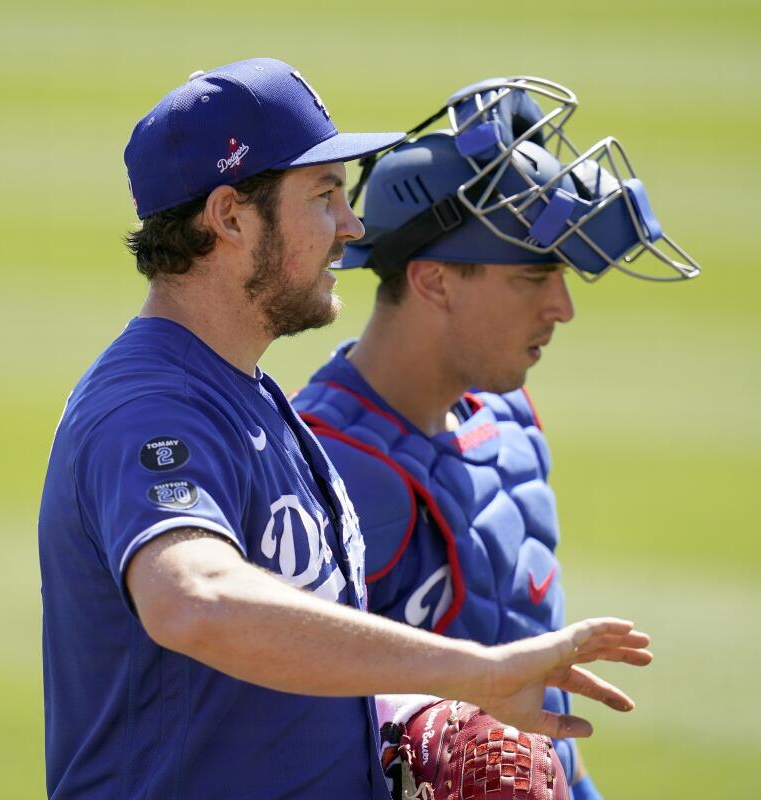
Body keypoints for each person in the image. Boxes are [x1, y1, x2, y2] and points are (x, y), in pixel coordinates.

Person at [37, 60, 653, 800]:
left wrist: (414, 726)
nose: (354, 228)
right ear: (231, 216)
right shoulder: (149, 408)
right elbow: (193, 599)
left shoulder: (260, 403)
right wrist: (476, 673)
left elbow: (290, 680)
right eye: (324, 196)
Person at [292, 76, 700, 800]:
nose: (564, 307)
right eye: (534, 277)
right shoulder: (337, 474)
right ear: (435, 281)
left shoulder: (504, 416)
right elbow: (281, 733)